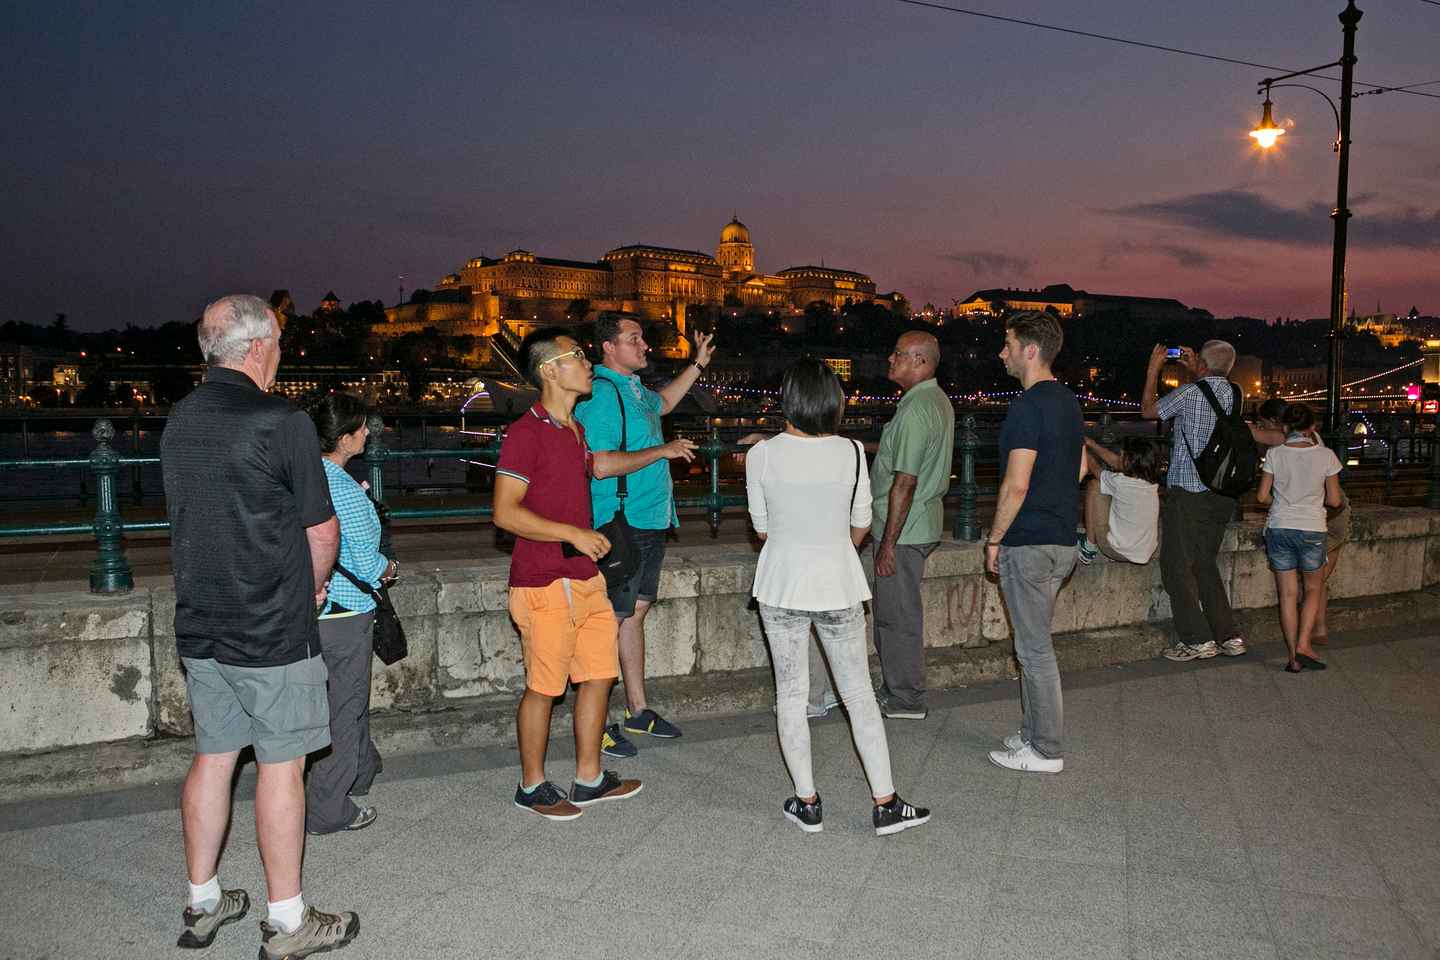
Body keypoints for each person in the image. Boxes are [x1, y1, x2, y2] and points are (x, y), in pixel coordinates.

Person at [161, 294, 358, 958]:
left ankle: (204, 900)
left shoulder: (180, 420)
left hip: (201, 620)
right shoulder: (282, 420)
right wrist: (314, 583)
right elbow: (321, 527)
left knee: (215, 757)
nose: (281, 354)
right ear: (256, 347)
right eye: (278, 342)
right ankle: (288, 919)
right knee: (282, 763)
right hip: (271, 622)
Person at [746, 357, 930, 835]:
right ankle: (885, 802)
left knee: (790, 695)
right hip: (837, 582)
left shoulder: (761, 455)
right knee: (858, 694)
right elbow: (862, 521)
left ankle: (807, 802)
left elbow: (761, 528)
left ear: (789, 399)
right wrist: (833, 551)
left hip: (781, 583)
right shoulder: (850, 451)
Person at [495, 326, 642, 819]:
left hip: (584, 576)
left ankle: (589, 777)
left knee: (599, 675)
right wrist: (572, 533)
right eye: (578, 356)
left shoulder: (575, 430)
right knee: (544, 685)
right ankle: (531, 785)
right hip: (541, 580)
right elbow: (505, 512)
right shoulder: (526, 431)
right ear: (550, 370)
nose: (587, 363)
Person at [574, 313, 713, 758]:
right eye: (634, 339)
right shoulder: (599, 394)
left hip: (649, 520)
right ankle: (594, 724)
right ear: (608, 347)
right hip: (620, 522)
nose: (645, 345)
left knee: (632, 616)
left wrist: (697, 363)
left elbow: (664, 405)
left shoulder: (632, 390)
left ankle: (638, 710)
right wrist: (665, 450)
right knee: (605, 622)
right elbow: (599, 463)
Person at [984, 312, 1086, 774]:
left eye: (1007, 344)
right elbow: (1081, 469)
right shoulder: (1068, 401)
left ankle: (1046, 749)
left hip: (1028, 543)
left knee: (1033, 650)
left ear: (1030, 350)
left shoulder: (1026, 407)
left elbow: (1016, 484)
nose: (1001, 352)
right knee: (1034, 643)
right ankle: (1032, 732)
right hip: (1062, 540)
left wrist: (995, 538)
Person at [1142, 341, 1282, 662]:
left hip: (1188, 494)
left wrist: (1153, 370)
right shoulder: (1236, 393)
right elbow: (1211, 398)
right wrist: (1198, 371)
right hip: (1221, 494)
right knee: (1204, 564)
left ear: (1201, 363)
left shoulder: (1190, 393)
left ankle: (1196, 639)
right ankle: (1228, 636)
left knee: (1176, 567)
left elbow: (1148, 411)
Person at [303, 392, 395, 835]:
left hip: (306, 611)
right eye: (361, 428)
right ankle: (327, 808)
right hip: (346, 615)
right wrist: (390, 568)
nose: (367, 433)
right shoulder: (344, 490)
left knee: (329, 702)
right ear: (344, 438)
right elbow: (366, 562)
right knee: (346, 706)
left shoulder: (299, 479)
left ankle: (362, 768)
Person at [870, 330, 955, 720]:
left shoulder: (917, 409)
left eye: (898, 353)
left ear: (920, 361)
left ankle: (906, 698)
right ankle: (898, 689)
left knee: (897, 615)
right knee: (897, 611)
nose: (891, 358)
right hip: (919, 524)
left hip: (903, 531)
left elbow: (905, 481)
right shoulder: (932, 401)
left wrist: (888, 543)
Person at [1255, 402, 1343, 672]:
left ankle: (1293, 657)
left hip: (1280, 526)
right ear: (1312, 427)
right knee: (1314, 588)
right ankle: (1305, 643)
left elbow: (1261, 497)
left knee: (1288, 595)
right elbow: (1335, 500)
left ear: (1284, 427)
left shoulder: (1275, 454)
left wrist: (1283, 502)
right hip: (1312, 528)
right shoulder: (1326, 455)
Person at [1077, 435, 1162, 565]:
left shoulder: (1121, 483)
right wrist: (1093, 444)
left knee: (1095, 485)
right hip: (1144, 553)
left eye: (1122, 454)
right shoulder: (1151, 485)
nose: (1119, 455)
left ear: (1129, 461)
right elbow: (1117, 463)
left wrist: (1082, 449)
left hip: (1117, 551)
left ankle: (1088, 547)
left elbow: (1094, 468)